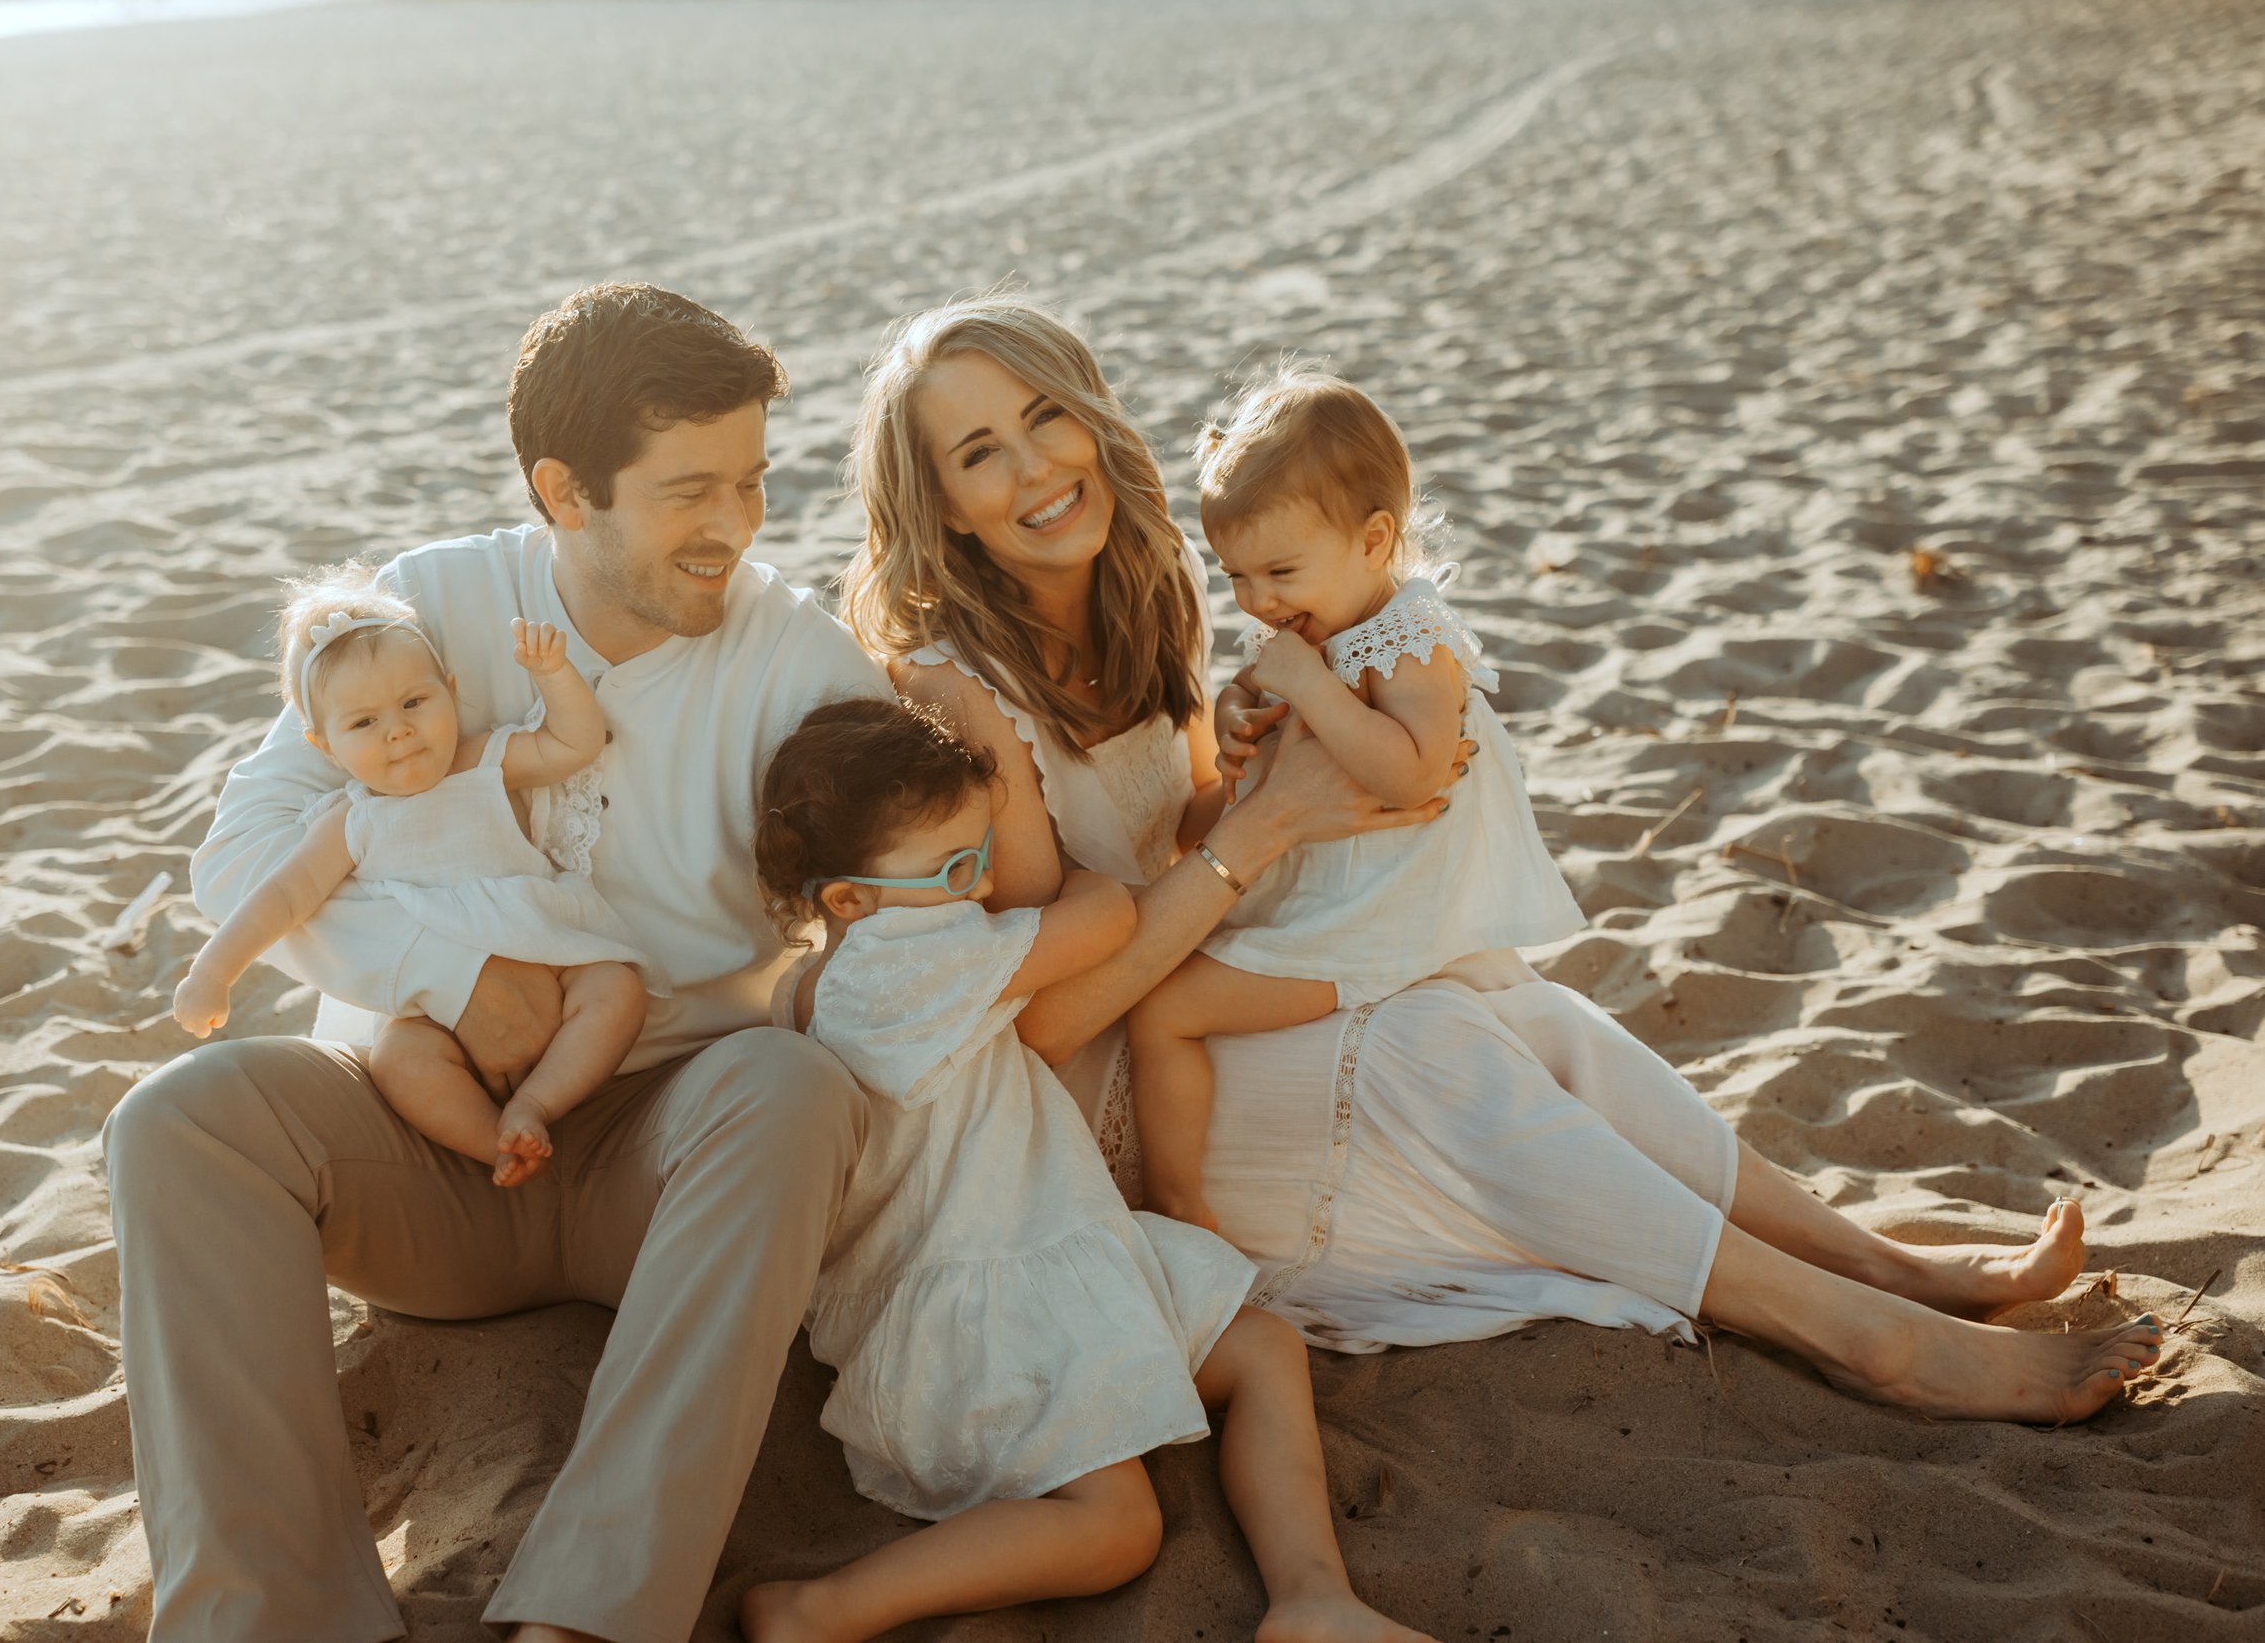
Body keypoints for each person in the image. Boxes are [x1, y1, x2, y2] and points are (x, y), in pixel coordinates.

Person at [839, 290, 2163, 1425]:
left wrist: (1240, 784)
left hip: (1200, 984)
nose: (1032, 467)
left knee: (1512, 996)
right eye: (979, 452)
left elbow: (1182, 828)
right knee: (1437, 1048)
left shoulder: (1159, 591)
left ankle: (1891, 1266)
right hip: (1096, 1099)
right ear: (942, 503)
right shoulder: (963, 695)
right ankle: (1870, 1338)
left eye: (1042, 418)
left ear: (1088, 414)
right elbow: (1041, 1012)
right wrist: (1264, 828)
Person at [105, 282, 894, 1643]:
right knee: (177, 1121)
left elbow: (897, 929)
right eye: (688, 490)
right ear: (562, 489)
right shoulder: (425, 605)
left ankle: (589, 1616)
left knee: (791, 1087)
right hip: (424, 1143)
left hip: (672, 1174)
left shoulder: (806, 670)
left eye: (754, 481)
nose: (736, 527)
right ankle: (271, 1622)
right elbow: (246, 860)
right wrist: (453, 981)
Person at [742, 697, 1425, 1643]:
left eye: (979, 856)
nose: (981, 887)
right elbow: (1102, 916)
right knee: (1117, 1528)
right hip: (978, 1315)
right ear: (846, 901)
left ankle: (1314, 1600)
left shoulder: (823, 980)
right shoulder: (902, 965)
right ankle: (824, 1606)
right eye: (953, 868)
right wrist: (1017, 786)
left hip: (1040, 1249)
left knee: (1263, 1349)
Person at [1127, 369, 1587, 1230]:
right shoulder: (1321, 622)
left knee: (1164, 1011)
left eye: (1281, 571)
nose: (1259, 601)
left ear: (1373, 542)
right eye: (1236, 576)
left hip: (1380, 919)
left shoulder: (1412, 641)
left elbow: (1415, 771)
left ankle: (1178, 1207)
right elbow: (1266, 693)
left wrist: (1313, 687)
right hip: (1331, 894)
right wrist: (1239, 712)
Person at [171, 566, 655, 1187]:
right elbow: (282, 898)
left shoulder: (477, 760)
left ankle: (538, 1104)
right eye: (363, 723)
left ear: (449, 692)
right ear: (324, 746)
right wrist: (213, 972)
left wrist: (552, 675)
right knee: (401, 1061)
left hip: (542, 941)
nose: (397, 730)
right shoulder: (351, 820)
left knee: (617, 990)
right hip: (436, 1004)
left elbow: (573, 745)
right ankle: (496, 1144)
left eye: (413, 703)